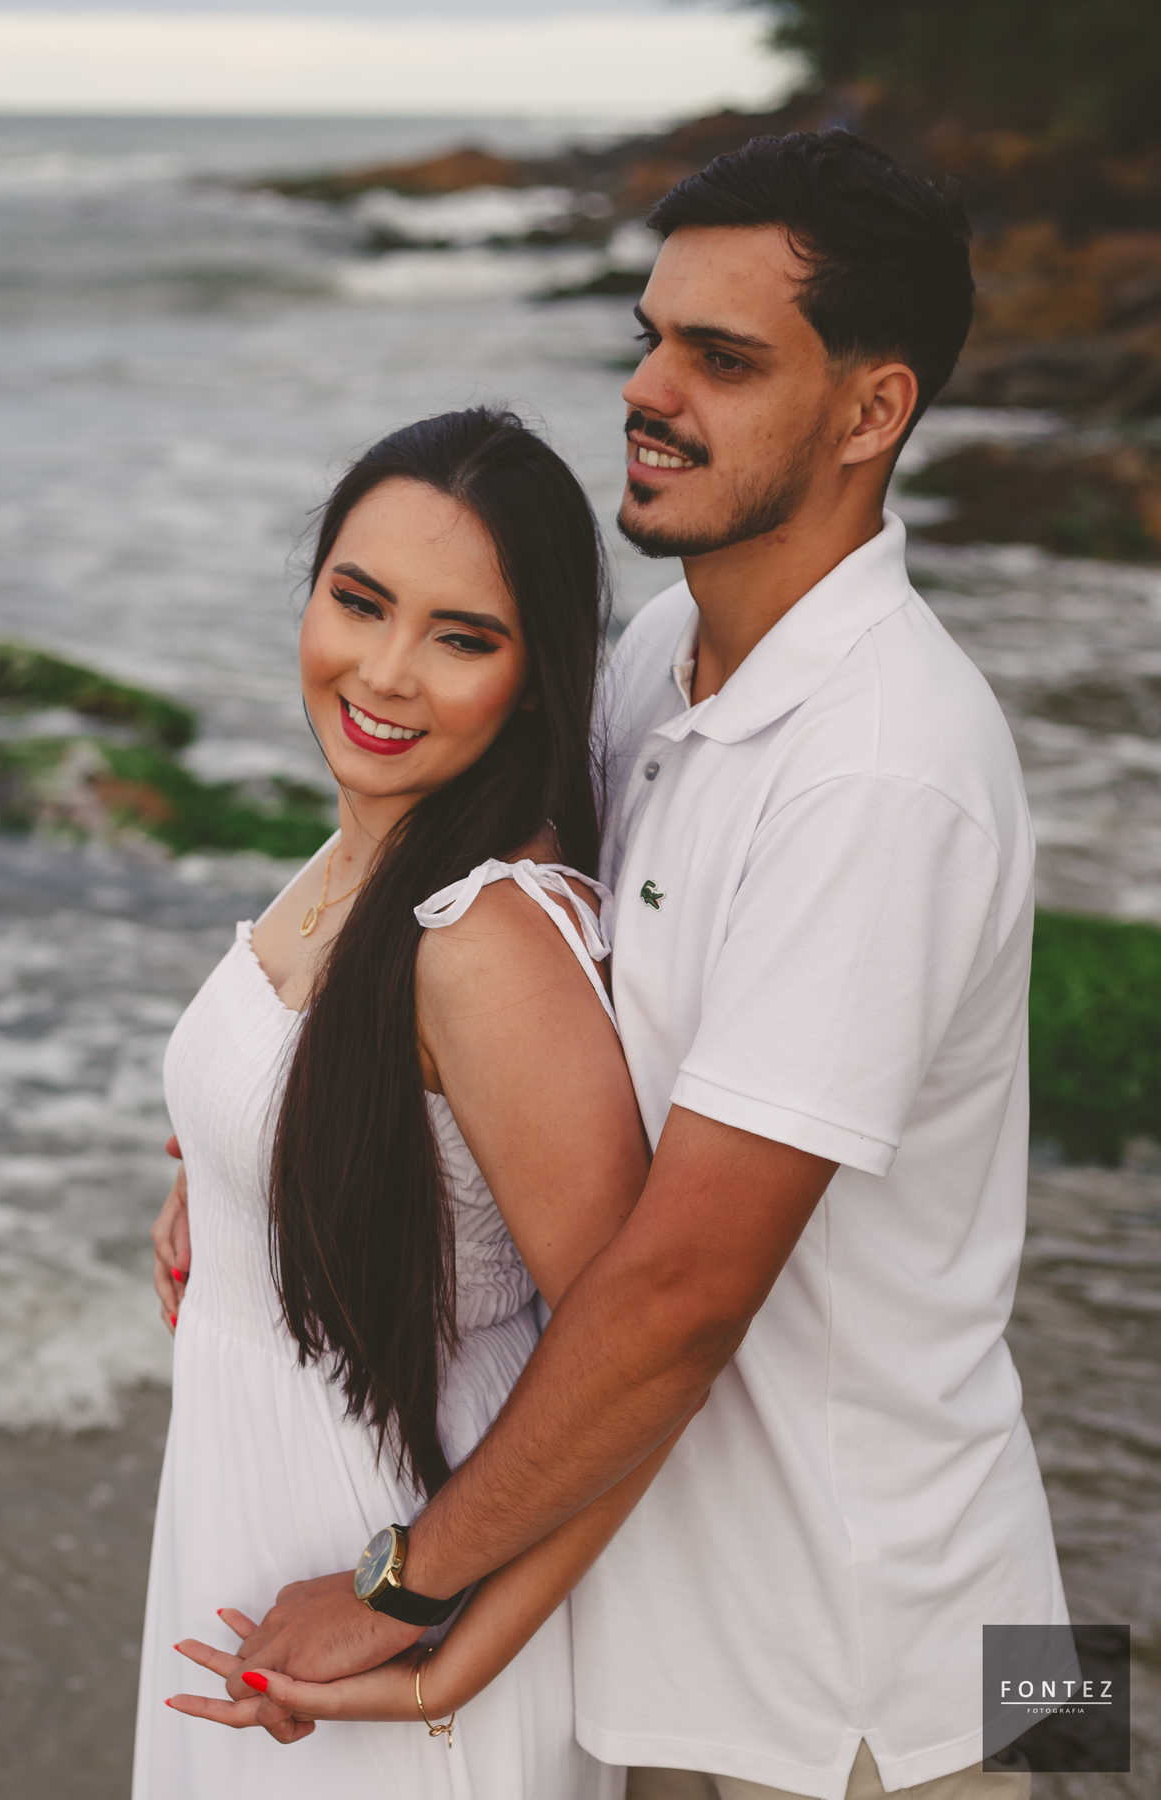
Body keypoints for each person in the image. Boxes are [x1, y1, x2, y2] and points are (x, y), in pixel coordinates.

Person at [204, 132, 1066, 1800]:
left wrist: (406, 1582)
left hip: (875, 1683)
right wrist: (239, 1148)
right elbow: (450, 910)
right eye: (651, 336)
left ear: (872, 411)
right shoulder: (669, 653)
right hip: (706, 1641)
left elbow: (682, 1290)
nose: (648, 392)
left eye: (722, 360)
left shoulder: (886, 767)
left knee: (1059, 1744)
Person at [136, 405, 676, 1799]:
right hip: (257, 1525)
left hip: (385, 1572)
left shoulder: (484, 941)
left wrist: (437, 1643)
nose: (383, 673)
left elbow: (641, 1370)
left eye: (463, 637)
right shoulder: (369, 840)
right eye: (359, 601)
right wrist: (228, 1174)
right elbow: (335, 1072)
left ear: (539, 679)